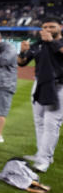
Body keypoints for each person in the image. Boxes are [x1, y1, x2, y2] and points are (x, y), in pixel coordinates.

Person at [18, 16, 63, 173]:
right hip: (39, 84)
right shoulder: (38, 44)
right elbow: (21, 63)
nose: (47, 30)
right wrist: (22, 52)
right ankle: (41, 154)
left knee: (52, 123)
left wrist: (51, 41)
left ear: (60, 27)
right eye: (45, 27)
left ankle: (44, 160)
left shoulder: (58, 43)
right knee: (39, 122)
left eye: (51, 27)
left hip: (59, 86)